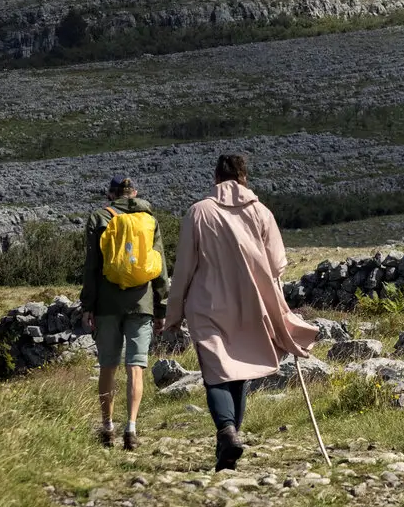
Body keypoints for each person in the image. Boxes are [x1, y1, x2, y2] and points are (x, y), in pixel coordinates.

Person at [162, 153, 319, 470]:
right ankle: (230, 441)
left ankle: (227, 432)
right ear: (244, 177)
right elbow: (277, 266)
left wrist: (173, 315)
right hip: (251, 305)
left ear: (216, 178)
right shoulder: (261, 213)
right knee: (239, 372)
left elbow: (184, 270)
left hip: (207, 306)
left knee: (217, 373)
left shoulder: (199, 212)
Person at [80, 175, 168, 451]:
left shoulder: (99, 218)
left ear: (110, 194)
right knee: (135, 366)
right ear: (135, 193)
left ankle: (107, 427)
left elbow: (91, 267)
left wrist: (87, 306)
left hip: (106, 304)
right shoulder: (149, 219)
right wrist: (161, 308)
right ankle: (131, 427)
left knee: (108, 365)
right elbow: (160, 267)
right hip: (141, 303)